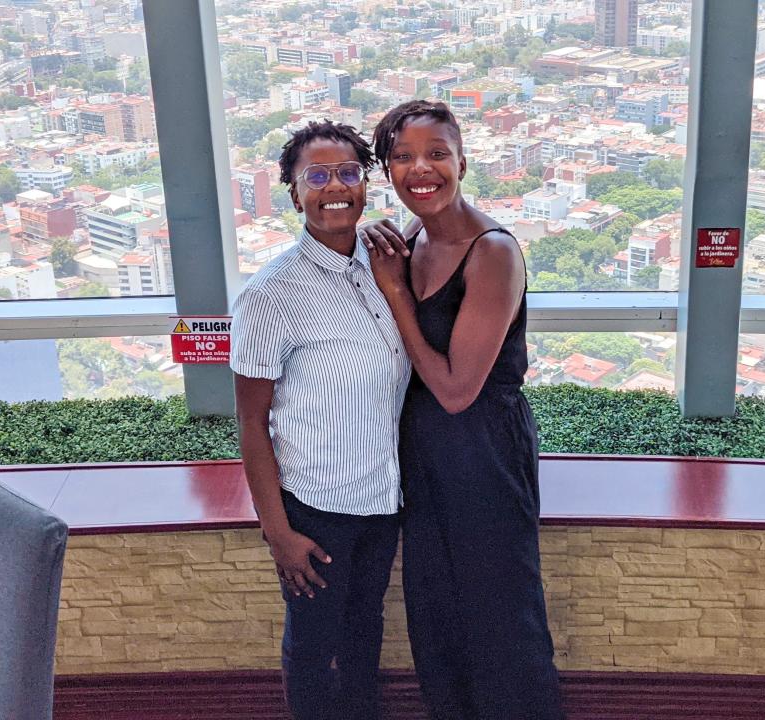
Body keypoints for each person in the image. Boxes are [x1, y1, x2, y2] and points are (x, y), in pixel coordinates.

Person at [360, 100, 565, 719]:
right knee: (437, 611)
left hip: (482, 452)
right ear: (387, 171)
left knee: (501, 614)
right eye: (402, 157)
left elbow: (455, 390)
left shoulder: (493, 252)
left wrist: (395, 290)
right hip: (423, 453)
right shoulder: (412, 237)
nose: (421, 169)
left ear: (463, 162)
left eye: (436, 154)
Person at [230, 120, 411, 720]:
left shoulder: (388, 261)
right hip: (316, 506)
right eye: (317, 175)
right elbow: (253, 425)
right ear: (294, 191)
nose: (335, 186)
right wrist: (278, 533)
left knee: (365, 637)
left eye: (349, 173)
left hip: (384, 502)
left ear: (366, 183)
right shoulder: (271, 294)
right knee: (312, 648)